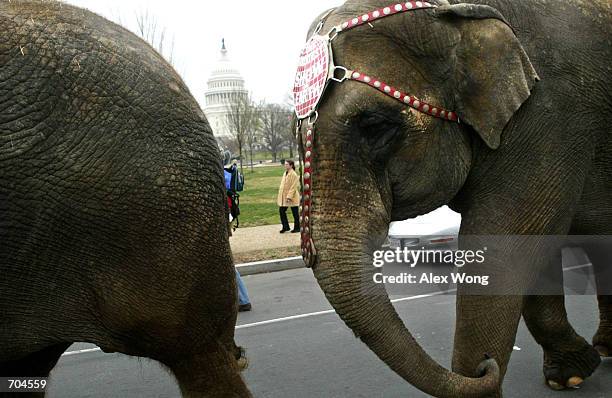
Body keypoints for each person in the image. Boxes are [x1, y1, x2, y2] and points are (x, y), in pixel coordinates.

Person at [277, 160, 300, 233]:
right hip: (284, 197)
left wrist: (289, 197)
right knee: (281, 211)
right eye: (285, 164)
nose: (285, 165)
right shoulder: (285, 173)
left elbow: (293, 187)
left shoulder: (293, 174)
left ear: (291, 165)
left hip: (292, 197)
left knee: (295, 212)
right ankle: (285, 227)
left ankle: (297, 228)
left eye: (287, 164)